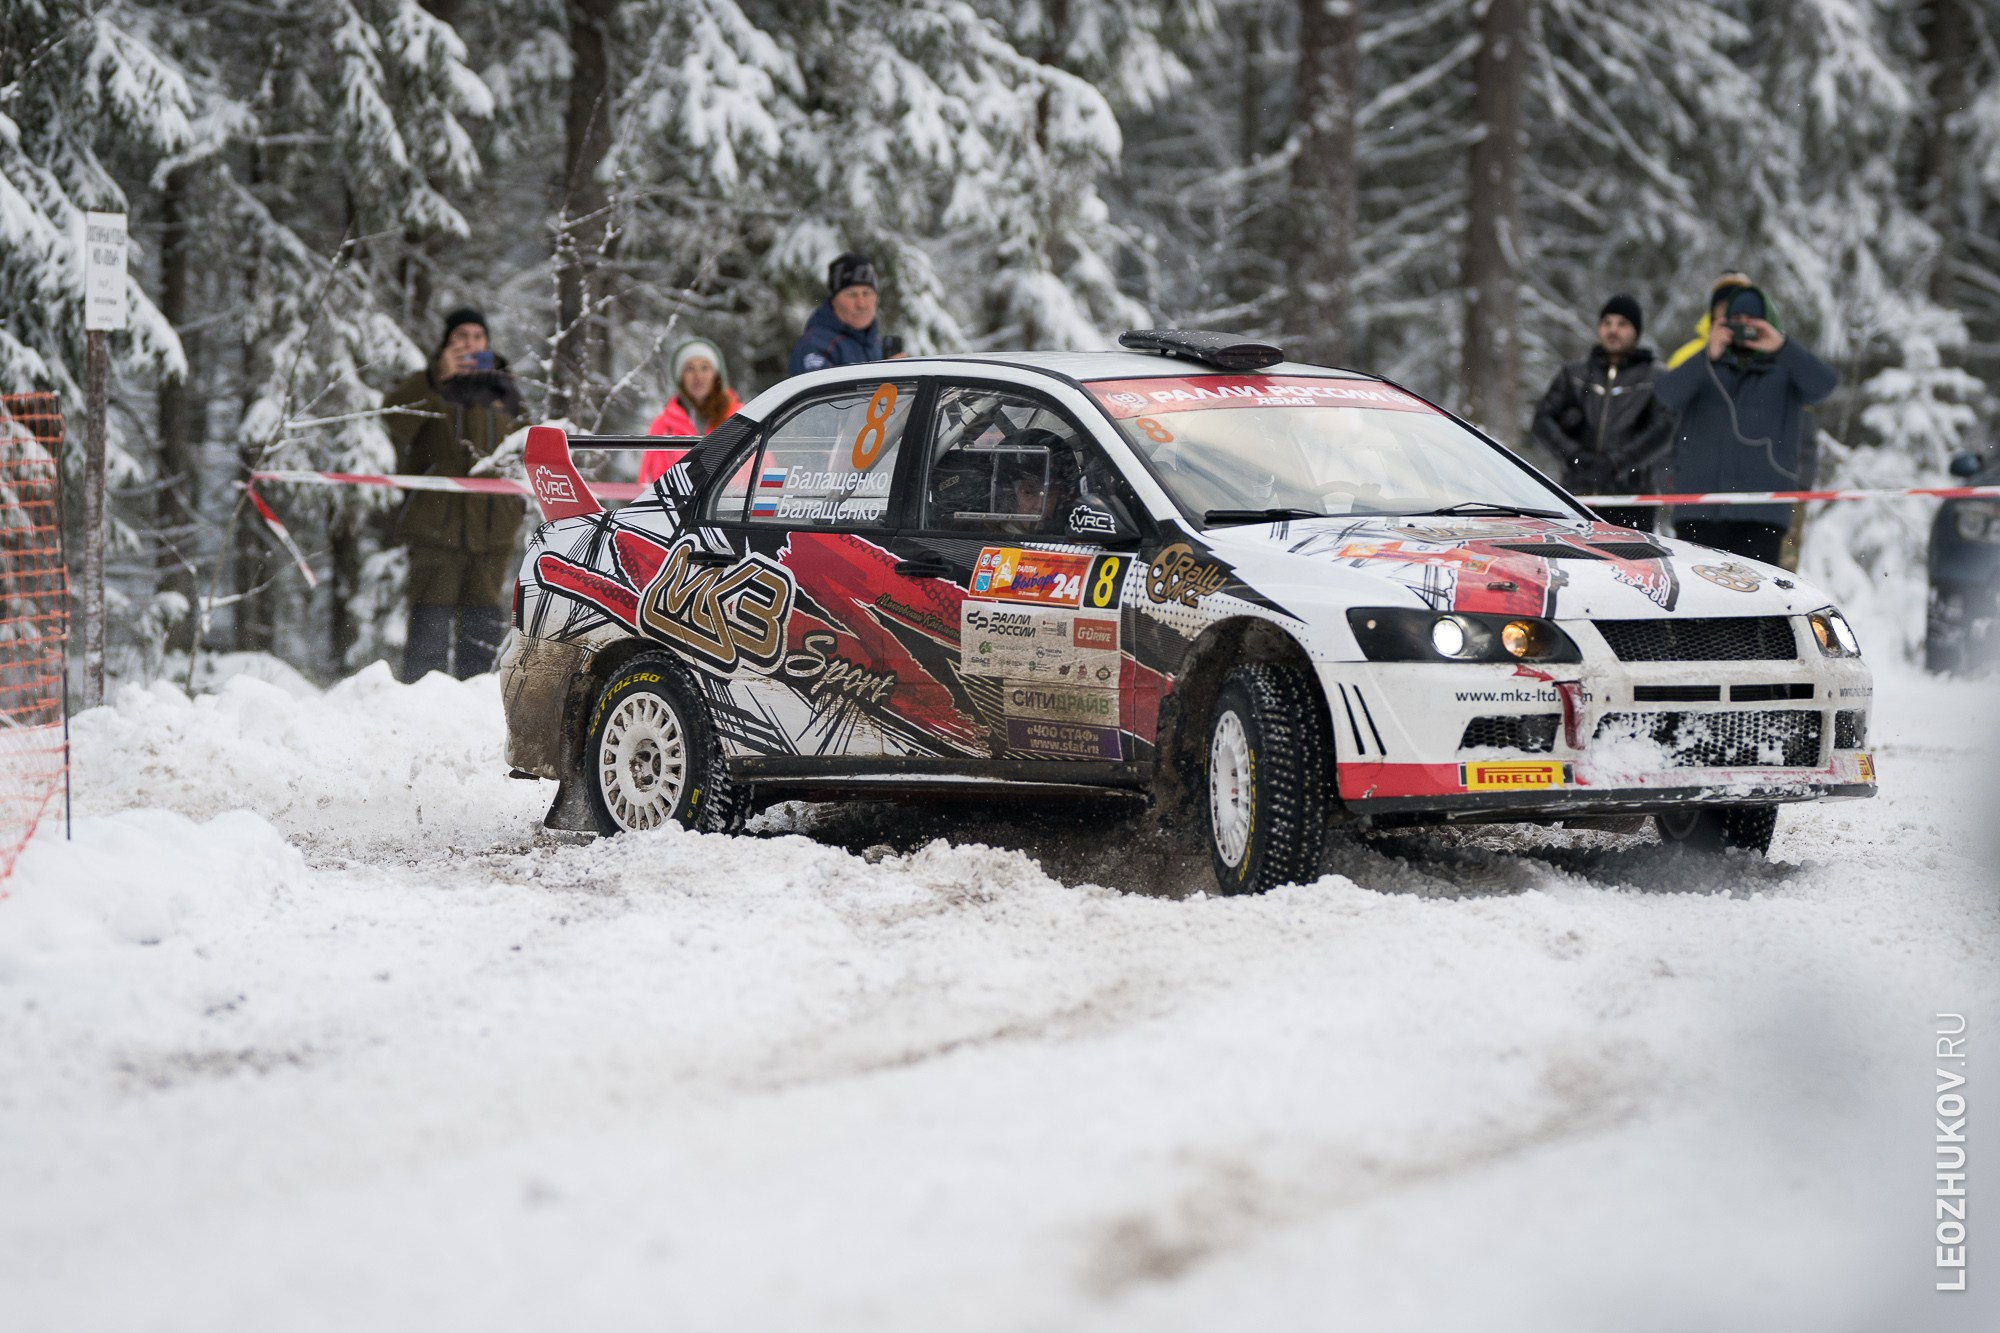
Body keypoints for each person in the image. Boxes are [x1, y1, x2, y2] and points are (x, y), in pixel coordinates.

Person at [382, 307, 526, 681]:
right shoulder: (430, 386)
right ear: (446, 343)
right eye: (460, 337)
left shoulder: (505, 392)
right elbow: (395, 422)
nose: (470, 344)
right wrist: (434, 379)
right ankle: (419, 706)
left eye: (478, 337)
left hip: (493, 531)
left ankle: (474, 708)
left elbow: (526, 447)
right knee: (429, 627)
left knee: (482, 633)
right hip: (436, 529)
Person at [1653, 284, 1837, 565]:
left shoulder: (1787, 371)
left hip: (1762, 511)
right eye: (1734, 321)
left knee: (1757, 603)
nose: (1743, 328)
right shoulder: (1705, 368)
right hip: (1700, 509)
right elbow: (1666, 395)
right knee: (1700, 602)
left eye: (1751, 322)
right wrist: (1707, 356)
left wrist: (1782, 346)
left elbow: (1824, 386)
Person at [1528, 294, 1676, 532]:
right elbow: (1542, 421)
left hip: (1630, 498)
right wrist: (1574, 455)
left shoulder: (1656, 377)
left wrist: (1617, 463)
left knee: (1631, 566)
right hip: (1576, 496)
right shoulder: (1574, 373)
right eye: (1607, 323)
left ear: (1636, 331)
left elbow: (1664, 429)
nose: (1613, 330)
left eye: (1622, 324)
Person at [639, 338, 742, 485]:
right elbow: (647, 482)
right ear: (680, 378)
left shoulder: (741, 420)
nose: (698, 376)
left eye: (705, 367)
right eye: (689, 368)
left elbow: (761, 473)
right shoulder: (663, 426)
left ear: (716, 374)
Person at [788, 252, 888, 376]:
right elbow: (821, 394)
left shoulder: (876, 344)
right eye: (851, 294)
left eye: (866, 293)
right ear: (834, 300)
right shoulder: (815, 346)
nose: (861, 304)